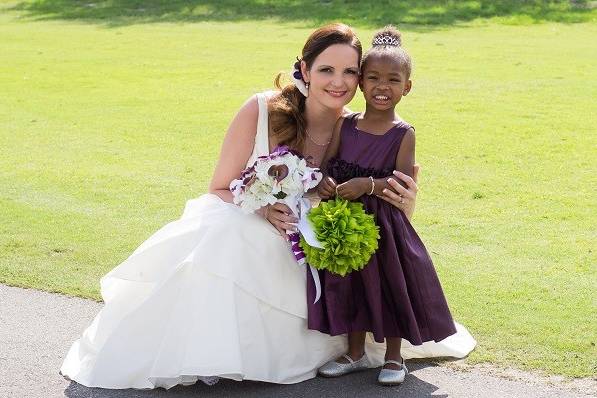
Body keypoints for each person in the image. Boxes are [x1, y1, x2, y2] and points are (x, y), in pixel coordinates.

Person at [60, 23, 473, 390]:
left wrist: (404, 198)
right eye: (327, 69)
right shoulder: (261, 109)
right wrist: (260, 209)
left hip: (315, 238)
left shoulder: (358, 126)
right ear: (305, 70)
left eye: (350, 71)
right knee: (228, 234)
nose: (339, 82)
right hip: (255, 219)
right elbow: (220, 188)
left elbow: (387, 216)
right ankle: (211, 348)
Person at [313, 26, 471, 386]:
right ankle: (353, 353)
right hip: (348, 220)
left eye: (393, 80)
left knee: (389, 286)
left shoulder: (403, 132)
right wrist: (326, 181)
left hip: (385, 224)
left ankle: (394, 357)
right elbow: (330, 164)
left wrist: (367, 184)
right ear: (361, 84)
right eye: (373, 78)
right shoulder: (347, 124)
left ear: (407, 87)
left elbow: (400, 180)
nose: (382, 87)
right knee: (348, 283)